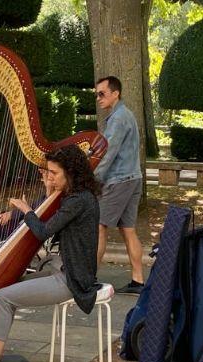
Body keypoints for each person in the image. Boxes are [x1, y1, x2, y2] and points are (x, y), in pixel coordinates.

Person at [0, 145, 104, 362]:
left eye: (54, 173)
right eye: (49, 172)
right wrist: (49, 189)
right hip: (61, 268)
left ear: (71, 174)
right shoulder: (77, 196)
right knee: (6, 285)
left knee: (3, 297)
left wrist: (26, 210)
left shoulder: (78, 201)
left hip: (73, 279)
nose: (50, 177)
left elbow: (43, 231)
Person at [93, 75, 145, 294]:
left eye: (102, 94)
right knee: (128, 230)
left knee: (99, 226)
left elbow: (108, 153)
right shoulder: (124, 115)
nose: (98, 98)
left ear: (116, 93)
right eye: (96, 94)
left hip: (119, 180)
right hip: (133, 178)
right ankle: (138, 281)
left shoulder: (118, 118)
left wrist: (92, 179)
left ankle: (87, 278)